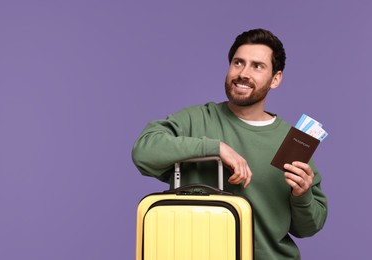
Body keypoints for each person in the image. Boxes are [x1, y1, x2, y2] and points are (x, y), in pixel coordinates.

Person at [132, 28, 328, 259]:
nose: (243, 73)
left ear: (275, 78)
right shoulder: (196, 119)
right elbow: (143, 152)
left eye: (257, 66)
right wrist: (215, 148)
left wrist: (302, 194)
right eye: (238, 63)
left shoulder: (292, 140)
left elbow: (308, 228)